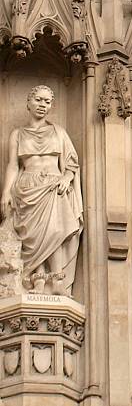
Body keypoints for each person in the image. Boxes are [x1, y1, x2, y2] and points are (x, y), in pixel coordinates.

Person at [0, 85, 83, 296]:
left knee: (54, 231)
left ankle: (57, 280)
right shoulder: (17, 134)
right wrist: (6, 192)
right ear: (28, 102)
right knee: (33, 236)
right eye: (38, 100)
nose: (42, 105)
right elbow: (13, 165)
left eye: (47, 101)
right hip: (27, 188)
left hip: (54, 187)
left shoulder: (59, 132)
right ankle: (37, 279)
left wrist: (66, 177)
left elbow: (72, 163)